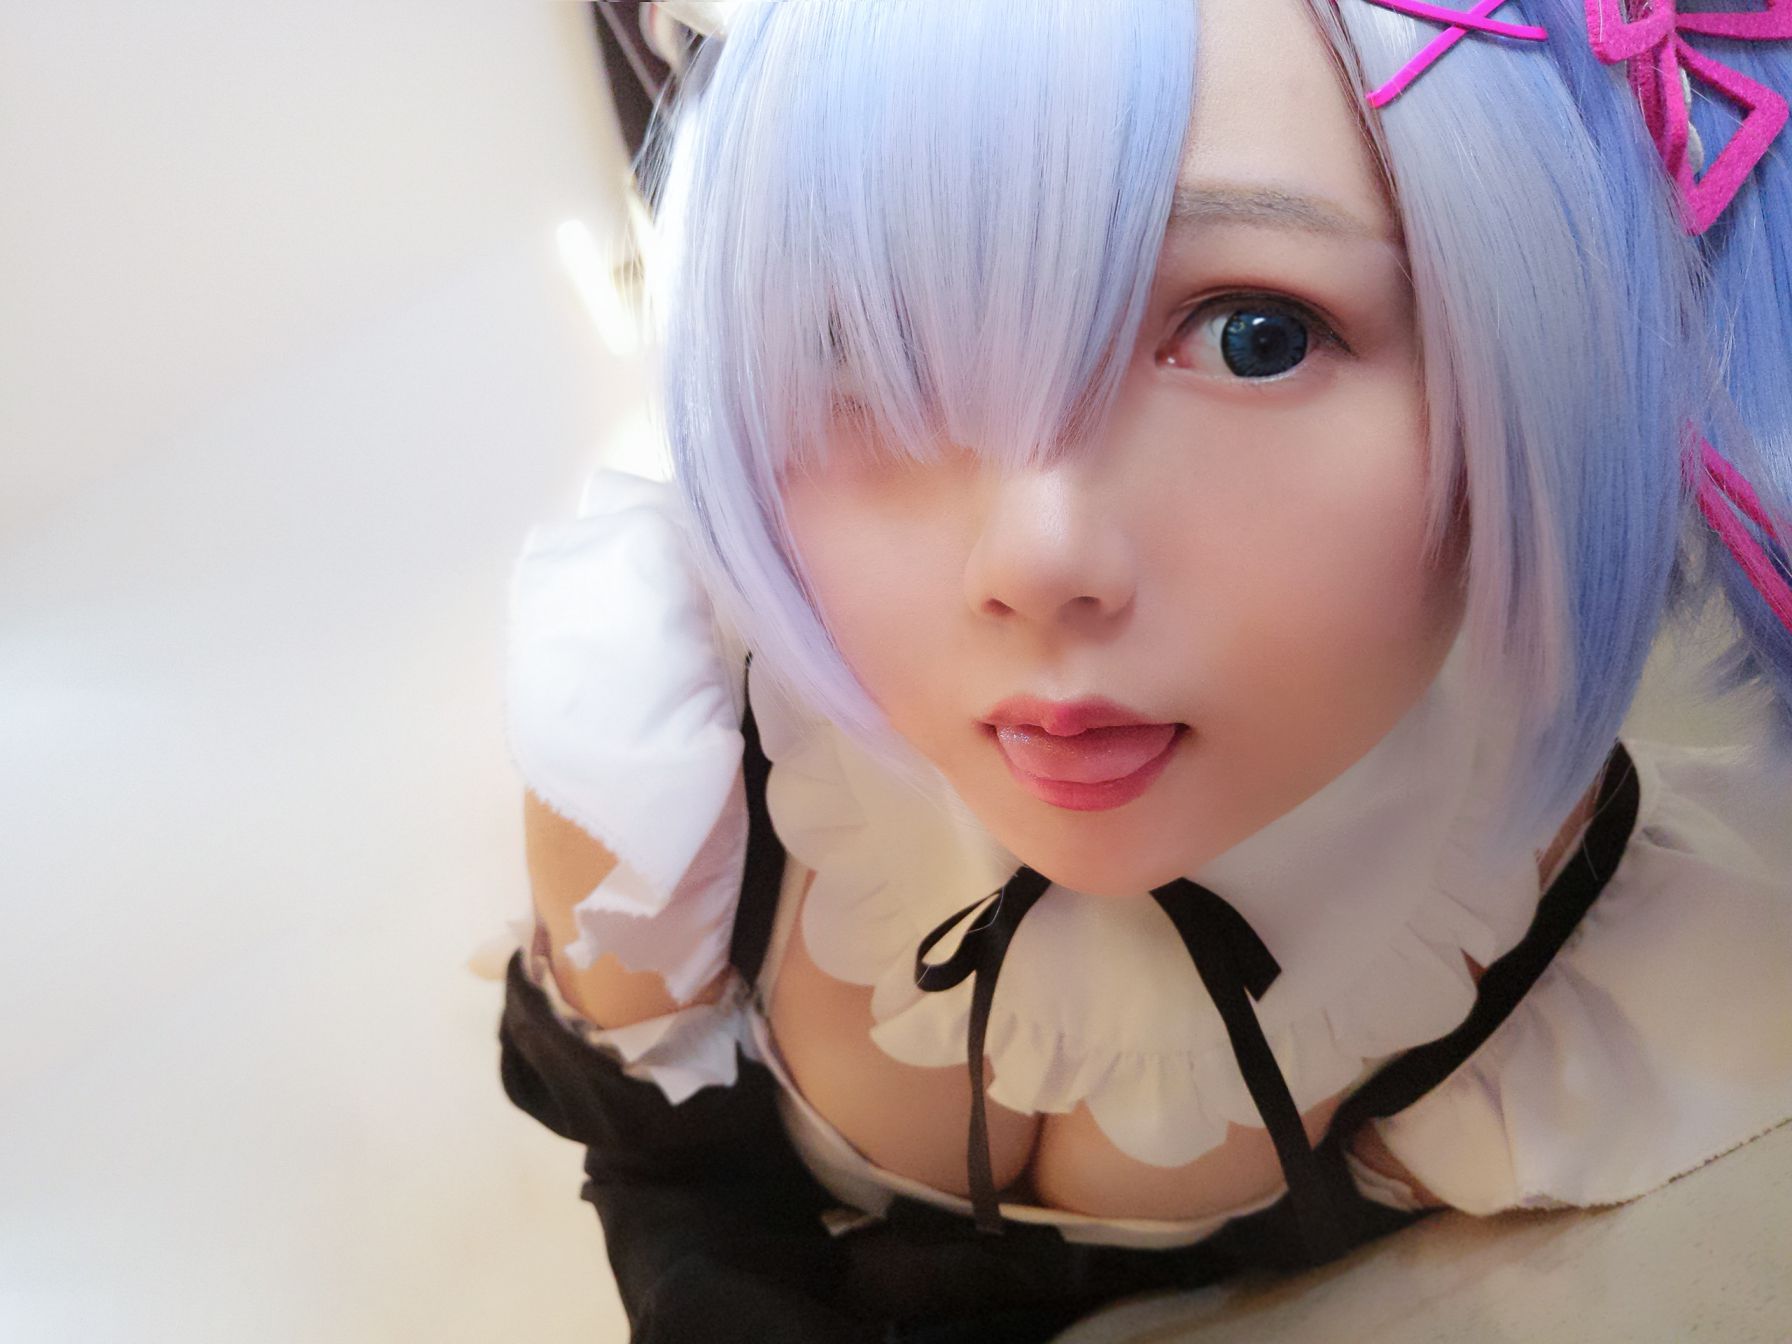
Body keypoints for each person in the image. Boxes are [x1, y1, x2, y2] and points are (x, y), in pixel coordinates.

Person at [493, 2, 1792, 1340]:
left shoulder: (1524, 914)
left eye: (1254, 334)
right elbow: (672, 1181)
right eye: (871, 342)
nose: (1037, 556)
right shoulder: (670, 754)